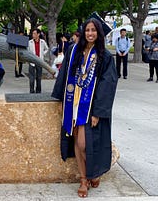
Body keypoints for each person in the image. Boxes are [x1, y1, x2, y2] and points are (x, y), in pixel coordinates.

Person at [51, 18, 118, 198]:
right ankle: (84, 179)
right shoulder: (74, 51)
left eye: (93, 30)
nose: (90, 33)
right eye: (87, 30)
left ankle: (93, 173)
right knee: (77, 143)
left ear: (98, 33)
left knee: (84, 144)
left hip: (91, 106)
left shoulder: (104, 56)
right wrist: (61, 101)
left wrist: (98, 112)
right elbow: (65, 75)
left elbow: (108, 84)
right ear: (83, 32)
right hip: (73, 105)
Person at [28, 28, 49, 93]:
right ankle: (31, 91)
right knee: (31, 77)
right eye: (32, 34)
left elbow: (47, 49)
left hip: (39, 61)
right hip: (32, 61)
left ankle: (38, 91)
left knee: (39, 77)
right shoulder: (30, 42)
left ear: (38, 34)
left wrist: (43, 54)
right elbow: (27, 50)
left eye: (34, 33)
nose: (33, 35)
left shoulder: (42, 42)